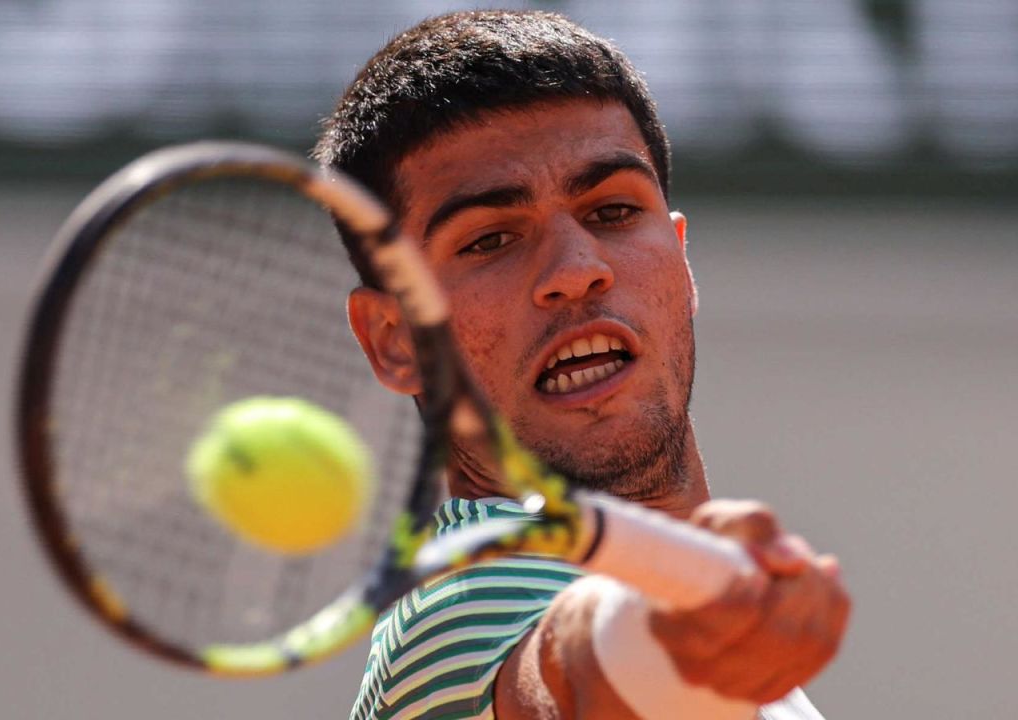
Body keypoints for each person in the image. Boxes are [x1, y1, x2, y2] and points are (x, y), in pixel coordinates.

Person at [313, 10, 850, 720]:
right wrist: (664, 629)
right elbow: (572, 674)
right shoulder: (452, 617)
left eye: (613, 212)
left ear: (681, 262)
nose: (576, 270)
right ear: (395, 339)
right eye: (490, 240)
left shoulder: (753, 665)